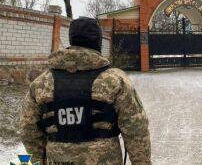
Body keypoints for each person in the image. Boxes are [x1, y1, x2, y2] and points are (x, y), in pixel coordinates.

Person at [19, 17, 151, 165]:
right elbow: (136, 129)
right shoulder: (115, 80)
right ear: (98, 42)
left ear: (71, 40)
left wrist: (40, 159)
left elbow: (28, 130)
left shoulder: (40, 84)